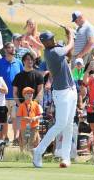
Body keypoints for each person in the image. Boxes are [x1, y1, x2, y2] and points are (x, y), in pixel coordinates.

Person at [32, 28, 76, 169]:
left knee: (68, 125)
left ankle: (65, 157)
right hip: (61, 92)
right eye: (50, 39)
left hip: (71, 90)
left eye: (53, 38)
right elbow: (69, 46)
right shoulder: (51, 53)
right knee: (61, 124)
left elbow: (70, 53)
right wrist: (71, 35)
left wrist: (68, 36)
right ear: (44, 43)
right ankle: (38, 151)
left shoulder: (56, 48)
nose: (53, 40)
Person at [0, 42, 23, 143]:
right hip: (2, 97)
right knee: (3, 119)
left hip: (16, 97)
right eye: (10, 48)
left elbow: (22, 78)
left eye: (13, 48)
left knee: (16, 119)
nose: (13, 50)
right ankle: (5, 137)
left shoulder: (19, 63)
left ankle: (16, 137)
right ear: (5, 50)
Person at [17, 87, 42, 152]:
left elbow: (40, 115)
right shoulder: (22, 105)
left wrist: (35, 118)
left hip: (34, 126)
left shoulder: (36, 104)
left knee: (32, 142)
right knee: (24, 142)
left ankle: (30, 157)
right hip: (25, 127)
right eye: (28, 93)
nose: (30, 94)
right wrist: (26, 118)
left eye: (31, 93)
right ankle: (25, 157)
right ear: (24, 95)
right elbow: (19, 117)